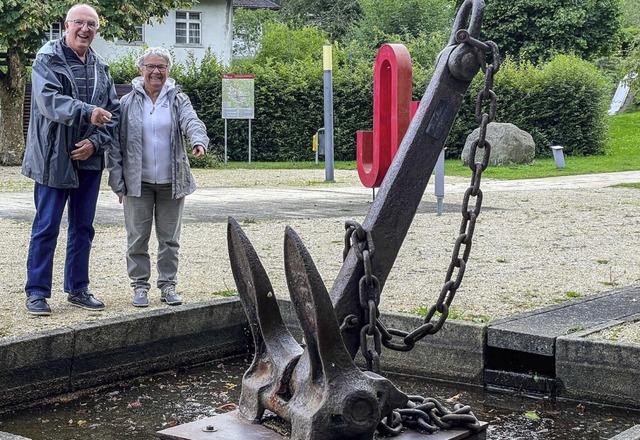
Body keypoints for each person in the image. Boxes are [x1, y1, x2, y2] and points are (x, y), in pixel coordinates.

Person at [21, 4, 120, 316]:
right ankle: (37, 292)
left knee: (83, 227)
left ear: (96, 30)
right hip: (54, 159)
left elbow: (113, 115)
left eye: (91, 24)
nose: (85, 29)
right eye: (79, 22)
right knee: (46, 226)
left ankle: (78, 288)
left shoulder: (101, 67)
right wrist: (87, 111)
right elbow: (50, 101)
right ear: (66, 25)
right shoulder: (46, 59)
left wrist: (94, 142)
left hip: (88, 160)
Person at [107, 47, 209, 308]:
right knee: (137, 238)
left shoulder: (178, 100)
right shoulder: (126, 103)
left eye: (161, 67)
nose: (156, 71)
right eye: (150, 66)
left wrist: (198, 140)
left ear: (168, 71)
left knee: (169, 240)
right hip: (136, 183)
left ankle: (168, 285)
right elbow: (115, 145)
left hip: (171, 182)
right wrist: (117, 182)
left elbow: (192, 121)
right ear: (141, 70)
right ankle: (140, 286)